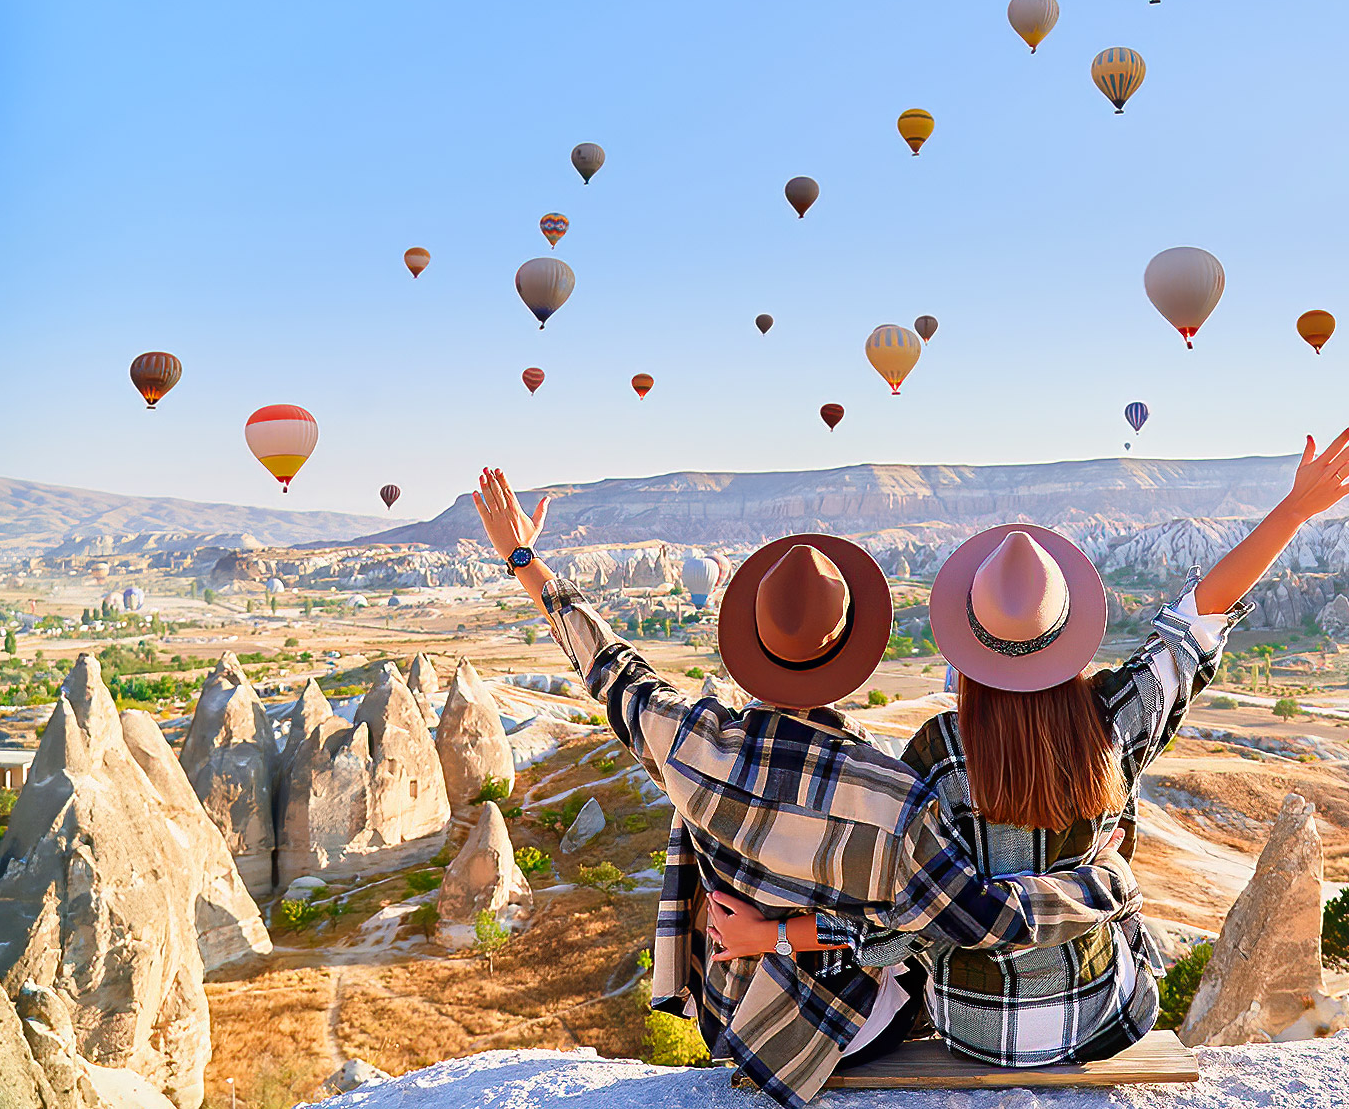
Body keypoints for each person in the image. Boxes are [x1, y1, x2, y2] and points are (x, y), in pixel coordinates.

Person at [471, 470, 1142, 1108]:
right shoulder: (890, 796)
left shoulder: (692, 742)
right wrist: (1105, 880)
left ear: (754, 643)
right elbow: (979, 920)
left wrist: (525, 556)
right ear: (851, 655)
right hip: (837, 1037)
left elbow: (613, 668)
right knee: (900, 934)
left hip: (730, 1013)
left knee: (705, 820)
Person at [707, 430, 1349, 1067]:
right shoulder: (1111, 719)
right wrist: (1295, 508)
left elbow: (891, 932)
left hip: (974, 1030)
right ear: (1067, 634)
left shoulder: (935, 755)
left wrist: (767, 936)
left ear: (966, 650)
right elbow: (1201, 614)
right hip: (1102, 1019)